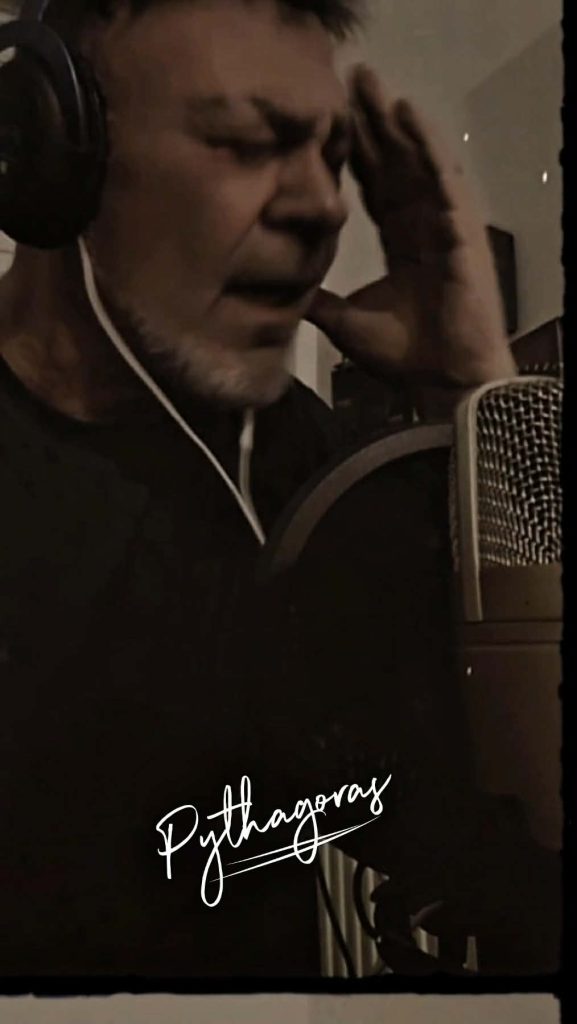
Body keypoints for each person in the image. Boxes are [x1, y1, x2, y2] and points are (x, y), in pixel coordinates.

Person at [0, 0, 517, 978]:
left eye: (329, 154)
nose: (323, 205)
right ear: (49, 147)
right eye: (244, 141)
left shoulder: (295, 463)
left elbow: (494, 842)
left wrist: (473, 391)